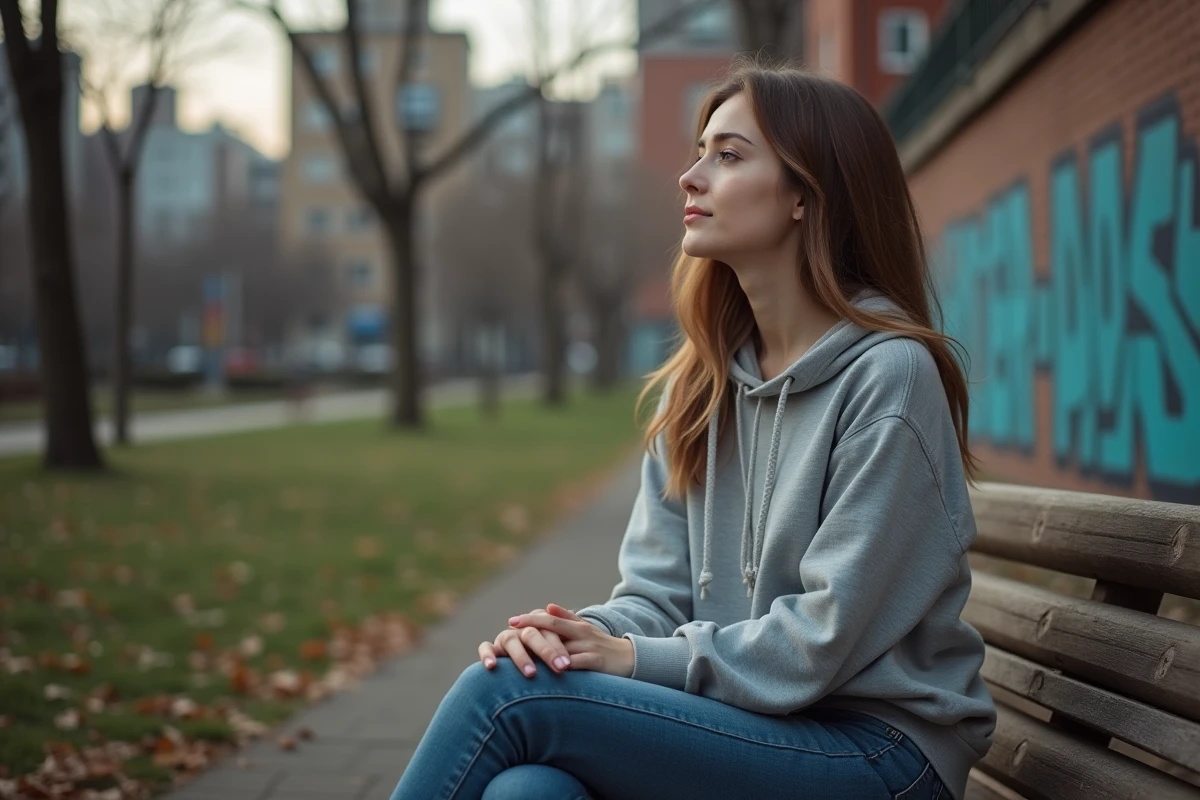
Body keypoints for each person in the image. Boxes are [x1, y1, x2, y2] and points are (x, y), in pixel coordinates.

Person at [388, 59, 997, 800]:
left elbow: (821, 641)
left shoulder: (889, 376)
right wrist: (572, 637)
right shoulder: (701, 386)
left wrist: (630, 661)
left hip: (878, 753)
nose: (691, 176)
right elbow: (655, 596)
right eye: (699, 150)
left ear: (806, 195)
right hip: (745, 727)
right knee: (530, 788)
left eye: (729, 155)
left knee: (505, 699)